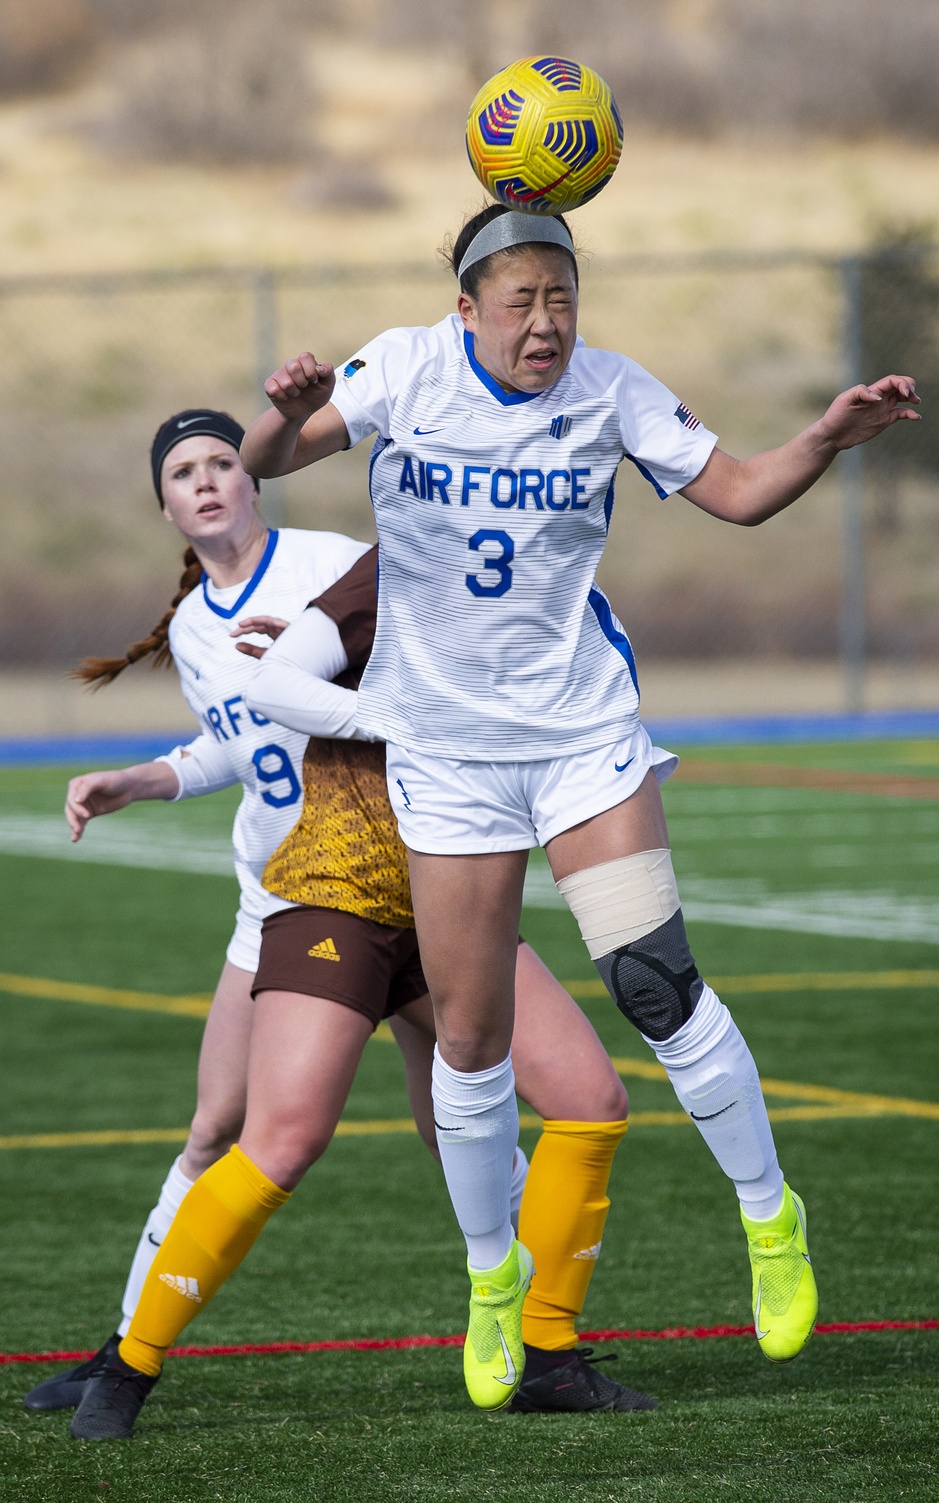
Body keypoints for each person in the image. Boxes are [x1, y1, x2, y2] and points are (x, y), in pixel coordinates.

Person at [239, 201, 921, 1410]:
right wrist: (286, 414)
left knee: (653, 979)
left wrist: (824, 436)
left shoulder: (613, 391)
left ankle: (770, 1222)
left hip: (580, 739)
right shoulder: (401, 366)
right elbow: (270, 461)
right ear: (467, 309)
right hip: (445, 753)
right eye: (521, 302)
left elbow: (746, 491)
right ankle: (492, 1282)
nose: (545, 324)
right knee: (468, 1036)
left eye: (562, 298)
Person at [29, 410, 650, 1436]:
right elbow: (240, 741)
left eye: (224, 460)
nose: (209, 481)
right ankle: (126, 1350)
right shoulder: (193, 625)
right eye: (185, 471)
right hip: (290, 894)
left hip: (424, 878)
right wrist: (145, 778)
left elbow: (429, 663)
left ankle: (537, 1342)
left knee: (471, 1113)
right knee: (234, 1130)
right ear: (166, 504)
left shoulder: (336, 565)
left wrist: (321, 667)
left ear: (255, 474)